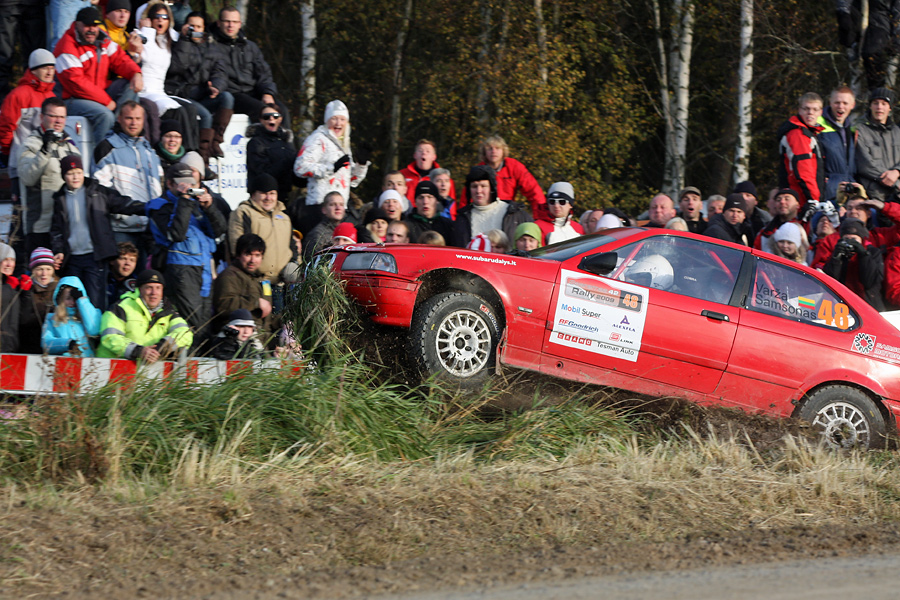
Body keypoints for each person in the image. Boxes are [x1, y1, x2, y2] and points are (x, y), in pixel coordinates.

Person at [50, 155, 146, 309]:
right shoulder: (59, 198)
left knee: (95, 301)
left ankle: (95, 325)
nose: (75, 177)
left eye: (79, 172)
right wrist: (59, 250)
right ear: (63, 176)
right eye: (70, 173)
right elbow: (56, 229)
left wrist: (148, 208)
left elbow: (123, 204)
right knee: (72, 302)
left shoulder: (97, 191)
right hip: (72, 258)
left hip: (94, 257)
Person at [147, 162, 227, 331]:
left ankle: (202, 349)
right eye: (182, 184)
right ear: (170, 183)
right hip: (181, 269)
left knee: (205, 323)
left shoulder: (195, 204)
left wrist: (209, 207)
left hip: (205, 268)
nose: (188, 188)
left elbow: (219, 230)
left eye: (191, 183)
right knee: (192, 323)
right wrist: (183, 200)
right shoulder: (159, 206)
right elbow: (176, 234)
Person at [55, 6, 143, 140]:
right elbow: (76, 84)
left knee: (131, 85)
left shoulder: (102, 39)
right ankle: (104, 150)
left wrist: (136, 73)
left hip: (98, 93)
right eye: (87, 25)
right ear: (77, 24)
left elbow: (120, 59)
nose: (91, 29)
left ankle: (122, 134)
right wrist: (106, 101)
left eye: (95, 26)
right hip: (72, 99)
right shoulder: (67, 46)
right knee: (105, 115)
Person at [93, 101, 164, 254]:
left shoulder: (149, 150)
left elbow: (160, 187)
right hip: (121, 228)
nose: (134, 123)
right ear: (119, 119)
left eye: (138, 119)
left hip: (149, 229)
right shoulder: (107, 147)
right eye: (129, 118)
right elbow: (100, 192)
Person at [166, 10, 234, 160]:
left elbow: (220, 72)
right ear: (185, 26)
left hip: (203, 93)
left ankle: (215, 141)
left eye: (198, 27)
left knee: (227, 97)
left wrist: (216, 86)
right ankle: (203, 157)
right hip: (182, 94)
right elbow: (177, 67)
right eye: (192, 26)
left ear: (204, 29)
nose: (195, 30)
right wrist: (185, 40)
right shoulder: (178, 42)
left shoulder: (212, 47)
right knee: (205, 116)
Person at [18, 97, 81, 255]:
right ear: (42, 117)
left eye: (62, 117)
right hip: (41, 226)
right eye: (53, 116)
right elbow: (27, 178)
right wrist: (45, 150)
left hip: (68, 225)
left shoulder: (71, 146)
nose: (58, 121)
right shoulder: (31, 143)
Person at [136, 2, 201, 154]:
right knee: (176, 111)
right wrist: (147, 30)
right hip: (145, 91)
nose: (160, 20)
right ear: (149, 19)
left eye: (164, 17)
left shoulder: (168, 40)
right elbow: (146, 55)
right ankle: (180, 153)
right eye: (156, 17)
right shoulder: (142, 35)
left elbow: (183, 56)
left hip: (160, 91)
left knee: (191, 109)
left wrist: (186, 36)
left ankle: (193, 154)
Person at [208, 6, 289, 126]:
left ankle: (285, 138)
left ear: (240, 24)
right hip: (232, 94)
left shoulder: (250, 46)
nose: (231, 25)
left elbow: (264, 73)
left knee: (282, 110)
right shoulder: (211, 46)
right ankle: (262, 138)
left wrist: (267, 93)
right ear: (219, 23)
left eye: (234, 22)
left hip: (254, 92)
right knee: (263, 111)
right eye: (227, 21)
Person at [98, 269, 193, 361]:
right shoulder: (121, 307)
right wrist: (139, 351)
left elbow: (185, 333)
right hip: (110, 367)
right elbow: (110, 337)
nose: (154, 293)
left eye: (158, 288)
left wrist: (161, 348)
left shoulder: (169, 311)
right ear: (139, 290)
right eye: (149, 287)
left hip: (148, 368)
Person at [294, 99, 369, 208]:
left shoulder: (344, 143)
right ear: (327, 120)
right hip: (320, 205)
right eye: (334, 118)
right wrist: (331, 168)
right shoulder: (318, 139)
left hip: (340, 207)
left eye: (342, 119)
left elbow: (351, 180)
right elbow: (300, 167)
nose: (338, 123)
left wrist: (361, 165)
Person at [228, 173, 297, 283]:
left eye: (272, 193)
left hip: (283, 282)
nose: (268, 198)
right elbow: (237, 246)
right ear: (253, 195)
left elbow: (293, 246)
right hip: (255, 281)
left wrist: (295, 265)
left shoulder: (284, 217)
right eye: (263, 193)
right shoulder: (244, 213)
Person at [810, 191, 900, 269]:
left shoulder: (881, 235)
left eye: (859, 208)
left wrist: (885, 207)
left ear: (869, 213)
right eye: (849, 208)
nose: (853, 211)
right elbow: (818, 268)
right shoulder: (831, 240)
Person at [0, 48, 56, 171]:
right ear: (33, 70)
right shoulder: (18, 95)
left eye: (52, 68)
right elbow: (6, 127)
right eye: (44, 68)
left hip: (46, 163)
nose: (49, 72)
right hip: (21, 162)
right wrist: (7, 152)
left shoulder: (52, 96)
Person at [212, 233, 275, 342]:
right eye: (248, 254)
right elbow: (223, 306)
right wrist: (255, 302)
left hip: (263, 339)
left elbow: (268, 315)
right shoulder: (229, 276)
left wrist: (284, 323)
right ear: (238, 255)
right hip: (238, 340)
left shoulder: (261, 279)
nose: (252, 260)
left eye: (257, 255)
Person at [452, 165, 532, 247]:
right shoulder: (462, 219)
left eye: (483, 186)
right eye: (474, 186)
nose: (478, 191)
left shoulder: (515, 215)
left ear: (492, 188)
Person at [466, 135, 545, 215]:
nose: (493, 151)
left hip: (507, 213)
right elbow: (467, 196)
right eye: (490, 149)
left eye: (497, 148)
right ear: (484, 152)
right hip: (482, 213)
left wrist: (540, 216)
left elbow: (534, 191)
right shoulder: (478, 171)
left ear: (503, 151)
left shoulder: (514, 166)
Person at [824, 218, 886, 310]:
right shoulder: (838, 254)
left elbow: (870, 282)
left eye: (854, 239)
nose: (850, 243)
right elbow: (830, 280)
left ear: (861, 239)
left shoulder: (873, 252)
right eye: (846, 239)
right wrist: (836, 257)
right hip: (843, 306)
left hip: (869, 305)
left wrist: (863, 254)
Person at [777, 92, 825, 210]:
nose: (810, 113)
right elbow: (804, 172)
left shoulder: (809, 133)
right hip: (800, 199)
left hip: (799, 197)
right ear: (799, 110)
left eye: (815, 109)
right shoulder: (799, 134)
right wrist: (815, 201)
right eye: (806, 109)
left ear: (820, 112)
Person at [856, 87, 900, 202]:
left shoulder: (897, 132)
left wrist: (897, 171)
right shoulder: (860, 131)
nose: (879, 107)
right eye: (875, 103)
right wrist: (894, 182)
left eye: (884, 104)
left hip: (897, 196)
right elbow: (864, 165)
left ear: (890, 108)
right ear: (870, 106)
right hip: (873, 196)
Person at [41, 275, 102, 356]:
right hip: (63, 361)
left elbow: (94, 330)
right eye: (68, 298)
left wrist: (82, 301)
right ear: (61, 299)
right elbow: (46, 343)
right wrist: (67, 344)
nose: (72, 302)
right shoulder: (51, 318)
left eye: (75, 298)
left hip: (87, 361)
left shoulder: (91, 314)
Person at [246, 104, 297, 201]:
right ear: (261, 120)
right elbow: (262, 172)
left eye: (275, 116)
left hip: (285, 193)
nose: (271, 119)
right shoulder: (256, 142)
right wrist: (287, 161)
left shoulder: (287, 141)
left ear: (280, 119)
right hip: (263, 195)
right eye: (266, 117)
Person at [818, 87, 857, 204]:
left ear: (852, 105)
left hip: (849, 190)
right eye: (837, 102)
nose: (840, 106)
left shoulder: (852, 129)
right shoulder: (817, 124)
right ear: (830, 102)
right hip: (828, 191)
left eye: (845, 103)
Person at [0, 0, 44, 102]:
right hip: (11, 5)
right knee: (4, 57)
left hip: (32, 6)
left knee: (35, 59)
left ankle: (33, 100)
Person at [19, 247, 58, 353]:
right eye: (40, 269)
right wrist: (26, 293)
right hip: (29, 346)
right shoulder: (25, 290)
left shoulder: (59, 290)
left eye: (48, 269)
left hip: (54, 348)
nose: (44, 273)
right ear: (33, 270)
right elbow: (23, 319)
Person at [400, 139, 456, 205]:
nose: (424, 153)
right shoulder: (402, 175)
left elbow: (451, 204)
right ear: (415, 155)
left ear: (434, 157)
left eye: (428, 151)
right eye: (420, 151)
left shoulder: (445, 179)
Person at [754, 188, 803, 253]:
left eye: (787, 199)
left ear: (797, 204)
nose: (782, 202)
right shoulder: (765, 232)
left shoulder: (805, 228)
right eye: (778, 200)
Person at [0, 243, 28, 351]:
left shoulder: (13, 286)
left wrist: (26, 293)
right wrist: (8, 288)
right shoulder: (10, 287)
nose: (9, 264)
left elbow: (24, 319)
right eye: (5, 259)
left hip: (11, 347)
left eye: (12, 260)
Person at [303, 191, 348, 260]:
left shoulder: (347, 230)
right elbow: (314, 261)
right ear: (324, 210)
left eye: (341, 204)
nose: (338, 208)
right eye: (332, 204)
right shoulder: (318, 234)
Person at [107, 241, 137, 306]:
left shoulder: (137, 285)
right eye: (123, 258)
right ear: (112, 261)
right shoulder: (100, 281)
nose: (127, 263)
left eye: (132, 260)